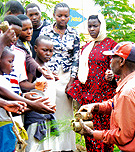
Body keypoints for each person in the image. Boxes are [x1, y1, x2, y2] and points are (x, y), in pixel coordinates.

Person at [67, 14, 117, 152]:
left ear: (102, 26)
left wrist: (113, 75)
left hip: (105, 96)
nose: (92, 29)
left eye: (95, 26)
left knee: (106, 132)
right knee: (89, 129)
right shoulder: (86, 47)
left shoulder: (112, 45)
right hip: (88, 96)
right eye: (89, 26)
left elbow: (119, 67)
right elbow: (81, 72)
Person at [77, 41, 135, 152]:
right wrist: (96, 106)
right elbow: (116, 104)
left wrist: (92, 133)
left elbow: (123, 137)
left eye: (113, 57)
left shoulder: (127, 93)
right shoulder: (129, 83)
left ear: (121, 61)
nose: (110, 61)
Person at [40, 2, 80, 151]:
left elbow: (76, 57)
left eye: (66, 16)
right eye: (59, 15)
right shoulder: (46, 31)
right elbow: (41, 53)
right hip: (50, 75)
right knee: (50, 110)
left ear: (70, 16)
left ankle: (66, 147)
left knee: (66, 113)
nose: (63, 18)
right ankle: (51, 146)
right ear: (54, 16)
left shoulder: (74, 33)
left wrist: (72, 80)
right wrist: (45, 72)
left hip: (67, 77)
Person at [24, 35, 59, 152]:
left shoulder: (47, 68)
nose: (48, 53)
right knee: (34, 147)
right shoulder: (33, 69)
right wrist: (35, 86)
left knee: (49, 148)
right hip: (36, 117)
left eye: (51, 51)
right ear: (35, 49)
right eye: (44, 50)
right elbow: (24, 86)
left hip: (48, 116)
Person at [0, 46, 27, 151]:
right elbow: (12, 106)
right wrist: (33, 106)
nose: (13, 65)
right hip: (5, 126)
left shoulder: (5, 80)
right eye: (10, 61)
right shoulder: (3, 82)